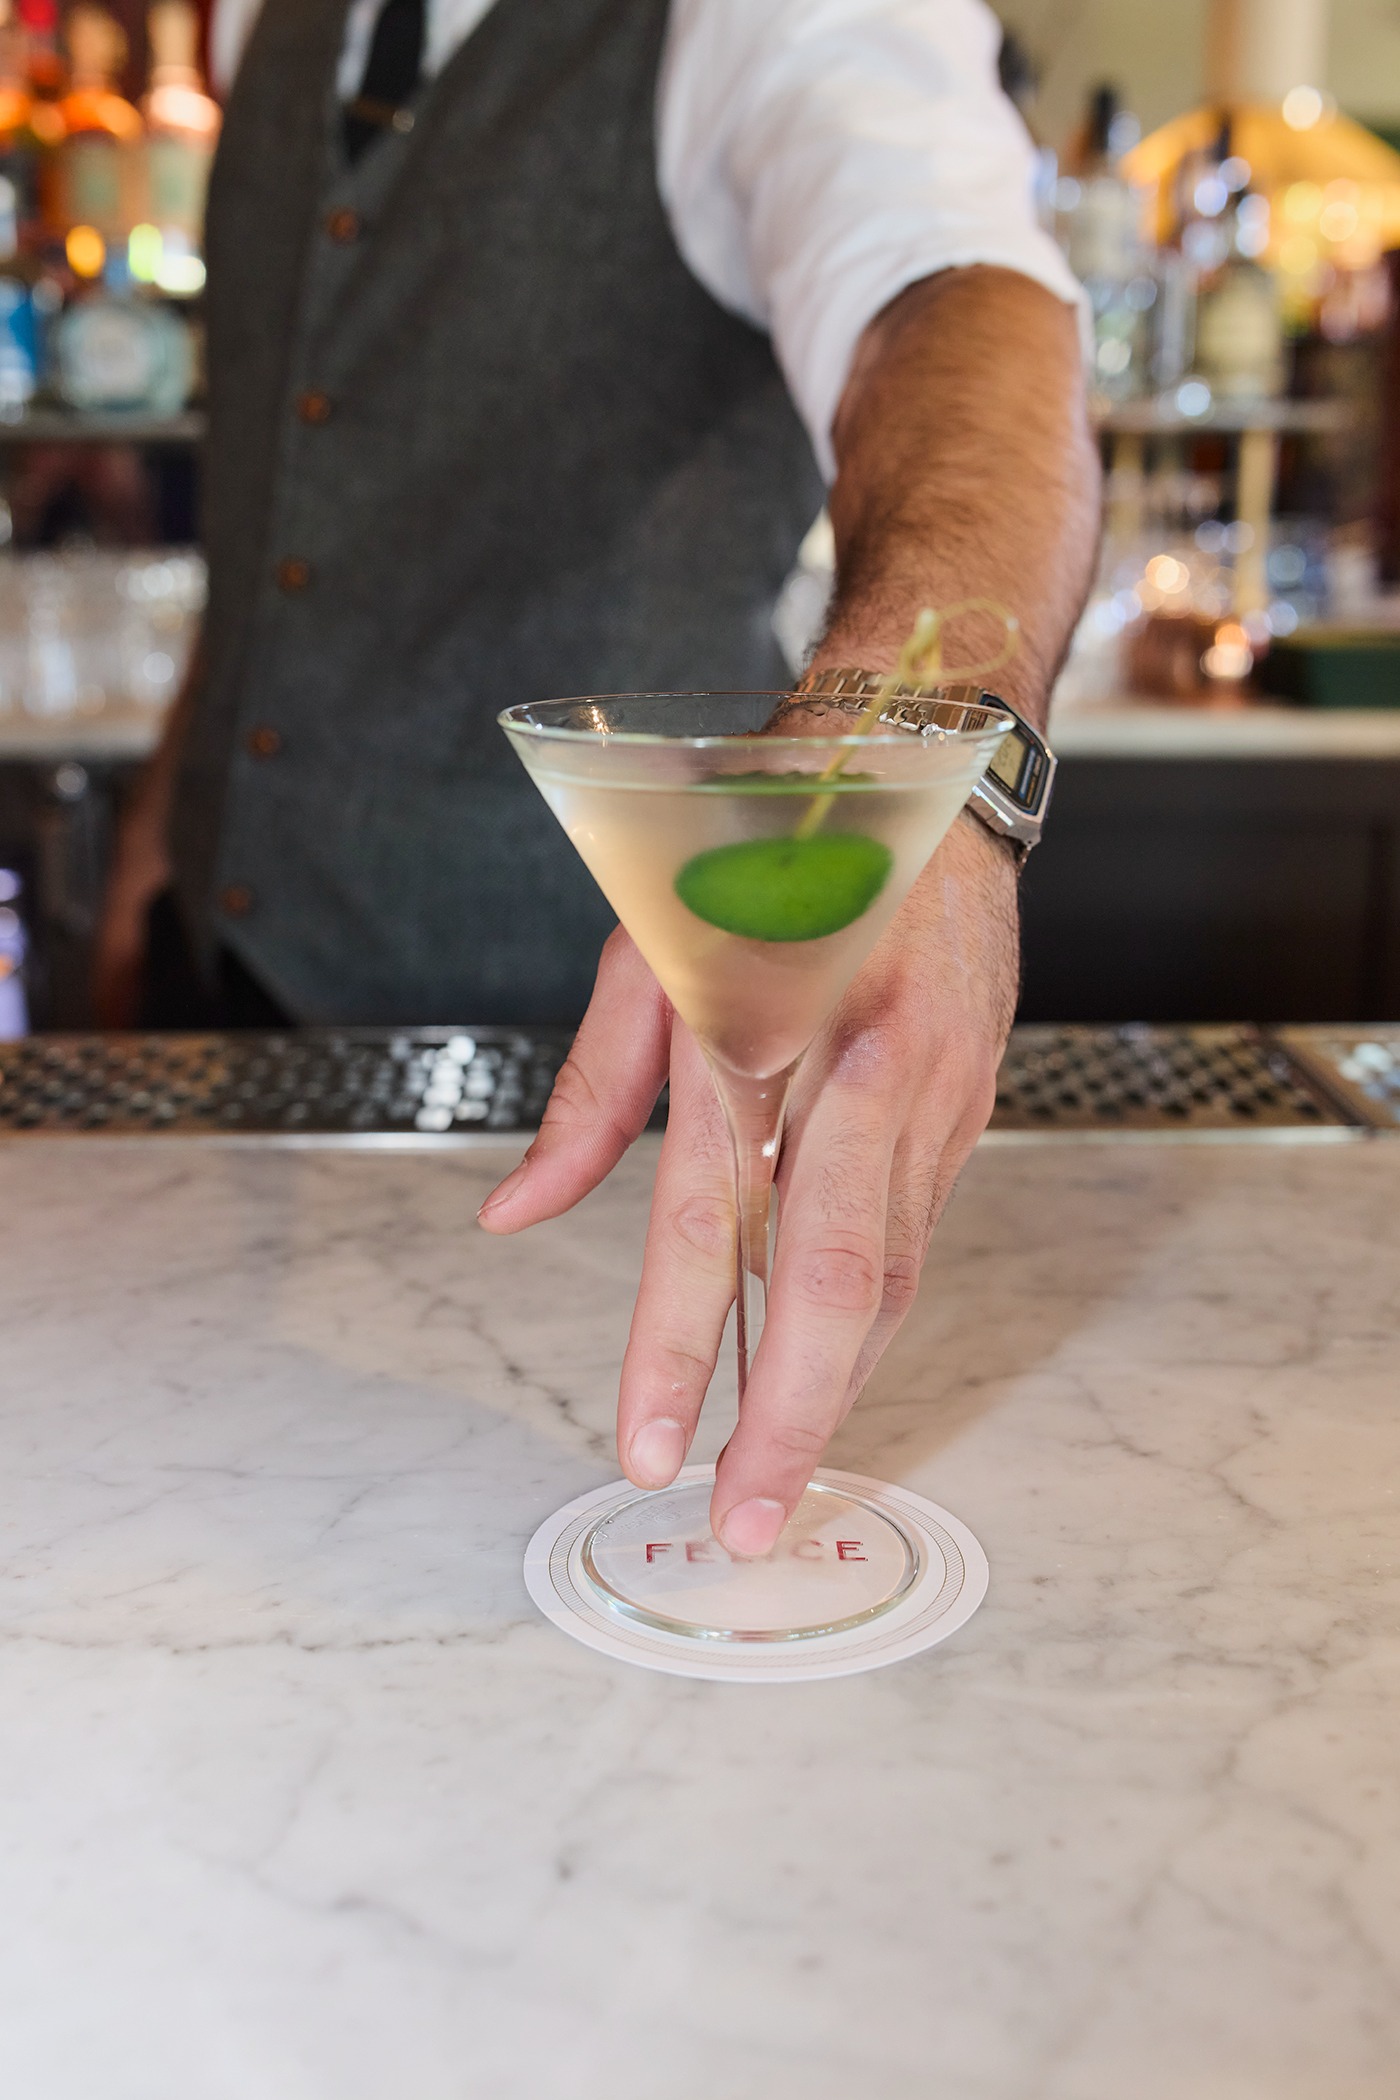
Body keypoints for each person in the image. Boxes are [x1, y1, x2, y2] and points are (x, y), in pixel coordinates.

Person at [95, 0, 1100, 1559]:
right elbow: (296, 489)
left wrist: (927, 748)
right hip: (231, 995)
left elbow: (957, 309)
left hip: (613, 1042)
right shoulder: (253, 21)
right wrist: (172, 813)